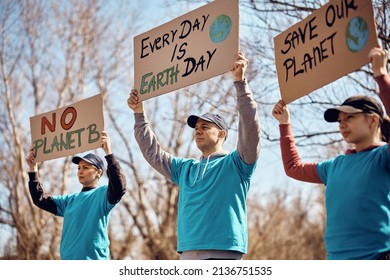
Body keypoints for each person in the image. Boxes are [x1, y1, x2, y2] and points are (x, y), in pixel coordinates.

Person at [127, 51, 261, 260]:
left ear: (222, 134)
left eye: (205, 126)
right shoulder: (185, 169)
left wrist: (240, 83)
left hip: (224, 255)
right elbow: (152, 153)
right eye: (196, 127)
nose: (197, 130)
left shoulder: (237, 163)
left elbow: (250, 129)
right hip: (187, 255)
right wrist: (138, 113)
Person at [272, 47, 390, 260]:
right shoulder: (334, 166)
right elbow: (293, 168)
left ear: (373, 120)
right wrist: (284, 124)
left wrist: (381, 76)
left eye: (350, 118)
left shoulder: (383, 157)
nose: (342, 124)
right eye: (340, 121)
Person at [25, 131, 126, 260]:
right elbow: (40, 199)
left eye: (85, 167)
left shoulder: (103, 195)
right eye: (78, 168)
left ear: (98, 172)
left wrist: (108, 152)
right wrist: (33, 168)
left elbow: (119, 187)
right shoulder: (69, 201)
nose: (80, 171)